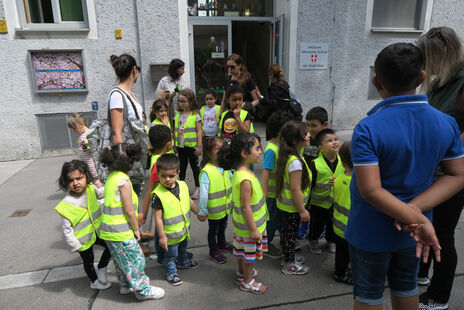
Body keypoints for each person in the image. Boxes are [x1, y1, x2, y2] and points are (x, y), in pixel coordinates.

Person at [345, 42, 464, 310]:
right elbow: (457, 176)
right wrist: (417, 214)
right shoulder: (446, 123)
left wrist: (412, 215)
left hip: (371, 229)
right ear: (422, 78)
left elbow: (371, 191)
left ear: (376, 82)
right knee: (406, 286)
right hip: (416, 231)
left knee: (368, 294)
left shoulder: (367, 128)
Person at [415, 26, 464, 310]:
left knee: (442, 236)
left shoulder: (461, 83)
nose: (426, 64)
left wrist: (443, 145)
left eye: (429, 57)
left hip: (452, 175)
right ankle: (422, 274)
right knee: (428, 226)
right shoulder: (440, 81)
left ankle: (439, 297)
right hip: (433, 171)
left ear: (443, 53)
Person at [99, 143, 165, 301]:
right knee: (135, 259)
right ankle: (142, 290)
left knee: (121, 260)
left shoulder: (112, 177)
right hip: (121, 231)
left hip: (109, 231)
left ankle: (125, 285)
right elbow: (129, 211)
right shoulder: (124, 182)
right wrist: (136, 229)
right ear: (130, 162)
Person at [218, 133, 268, 294]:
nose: (260, 151)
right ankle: (247, 281)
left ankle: (241, 274)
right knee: (249, 256)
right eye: (257, 148)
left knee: (241, 252)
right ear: (244, 154)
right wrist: (254, 229)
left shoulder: (240, 173)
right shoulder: (245, 179)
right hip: (249, 227)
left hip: (243, 226)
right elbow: (246, 207)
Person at [54, 160, 111, 290]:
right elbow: (66, 229)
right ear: (66, 182)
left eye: (79, 178)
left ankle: (102, 266)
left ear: (86, 176)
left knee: (110, 246)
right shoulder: (66, 204)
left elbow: (101, 193)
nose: (75, 183)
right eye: (71, 180)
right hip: (82, 240)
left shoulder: (91, 188)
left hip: (98, 231)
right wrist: (75, 245)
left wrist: (112, 186)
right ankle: (94, 281)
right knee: (88, 261)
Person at [152, 154, 200, 286]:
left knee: (183, 249)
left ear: (178, 173)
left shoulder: (182, 185)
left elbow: (189, 201)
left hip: (183, 230)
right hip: (170, 235)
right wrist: (162, 237)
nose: (167, 179)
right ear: (158, 174)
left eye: (171, 176)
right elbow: (158, 219)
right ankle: (171, 272)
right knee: (171, 256)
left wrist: (198, 213)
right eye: (163, 176)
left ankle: (183, 261)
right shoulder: (158, 195)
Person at [275, 121, 311, 275]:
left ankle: (287, 256)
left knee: (286, 233)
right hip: (293, 208)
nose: (309, 136)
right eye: (305, 134)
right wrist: (302, 210)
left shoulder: (290, 155)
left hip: (286, 206)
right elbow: (296, 189)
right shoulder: (295, 162)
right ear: (296, 141)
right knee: (290, 235)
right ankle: (289, 264)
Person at [108, 54, 145, 195]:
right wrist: (123, 167)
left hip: (134, 154)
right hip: (127, 158)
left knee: (135, 197)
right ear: (134, 70)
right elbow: (117, 132)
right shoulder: (117, 94)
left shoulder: (128, 93)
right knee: (129, 199)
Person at [139, 125, 174, 264]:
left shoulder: (157, 158)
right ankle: (164, 257)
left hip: (164, 202)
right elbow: (150, 189)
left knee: (161, 228)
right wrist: (143, 212)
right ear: (169, 144)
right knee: (162, 230)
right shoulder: (157, 163)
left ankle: (166, 255)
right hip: (163, 203)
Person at [261, 111, 294, 259]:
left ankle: (284, 240)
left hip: (280, 192)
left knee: (279, 218)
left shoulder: (281, 146)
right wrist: (265, 192)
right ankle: (265, 245)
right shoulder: (271, 150)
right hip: (273, 193)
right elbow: (266, 172)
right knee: (272, 220)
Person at [197, 136, 233, 264]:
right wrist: (202, 210)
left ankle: (222, 243)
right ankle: (213, 251)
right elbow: (204, 194)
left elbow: (232, 183)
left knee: (223, 226)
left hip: (225, 207)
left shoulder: (226, 167)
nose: (221, 151)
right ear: (208, 153)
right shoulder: (207, 171)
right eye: (217, 149)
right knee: (213, 230)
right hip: (214, 209)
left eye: (222, 148)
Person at [308, 128, 344, 255]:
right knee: (316, 224)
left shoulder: (343, 161)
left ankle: (331, 241)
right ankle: (313, 240)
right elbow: (309, 186)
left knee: (332, 224)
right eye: (329, 141)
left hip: (335, 201)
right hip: (318, 204)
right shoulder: (315, 164)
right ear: (320, 148)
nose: (334, 142)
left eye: (335, 139)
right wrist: (306, 205)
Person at [298, 106, 329, 239]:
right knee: (306, 202)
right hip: (306, 178)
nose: (309, 128)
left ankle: (320, 227)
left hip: (321, 180)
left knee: (319, 207)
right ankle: (304, 225)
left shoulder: (327, 140)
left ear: (324, 125)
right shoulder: (306, 139)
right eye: (307, 125)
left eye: (314, 125)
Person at [174, 88, 202, 199]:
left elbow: (199, 131)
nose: (180, 104)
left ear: (190, 101)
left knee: (195, 168)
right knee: (182, 167)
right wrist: (175, 144)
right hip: (181, 147)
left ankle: (198, 188)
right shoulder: (177, 115)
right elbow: (175, 131)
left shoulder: (195, 115)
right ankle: (180, 187)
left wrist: (199, 146)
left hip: (192, 147)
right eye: (179, 101)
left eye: (183, 101)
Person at [331, 141, 353, 285]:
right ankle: (349, 273)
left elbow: (334, 197)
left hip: (338, 226)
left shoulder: (337, 180)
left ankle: (339, 273)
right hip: (353, 228)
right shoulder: (359, 184)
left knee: (341, 253)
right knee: (351, 254)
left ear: (343, 164)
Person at [67, 113, 103, 188]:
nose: (73, 131)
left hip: (91, 164)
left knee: (95, 180)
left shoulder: (88, 135)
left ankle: (103, 193)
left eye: (74, 128)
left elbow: (94, 149)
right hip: (86, 164)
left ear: (81, 124)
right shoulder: (83, 135)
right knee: (90, 180)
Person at [263, 65, 291, 140]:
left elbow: (273, 104)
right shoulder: (285, 85)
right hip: (286, 117)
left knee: (274, 141)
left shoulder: (275, 88)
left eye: (269, 74)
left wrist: (263, 98)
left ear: (272, 75)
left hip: (276, 119)